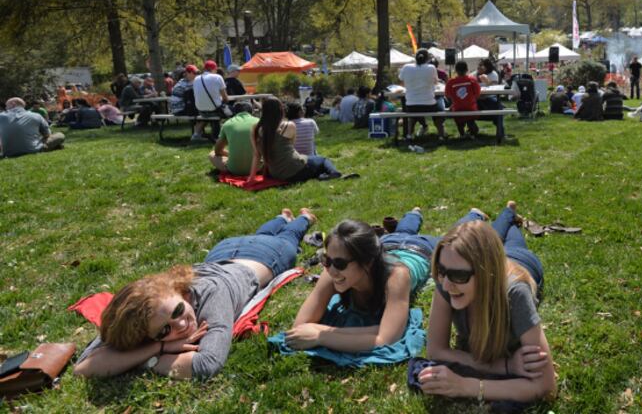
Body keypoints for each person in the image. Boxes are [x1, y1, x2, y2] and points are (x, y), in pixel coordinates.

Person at [73, 209, 316, 380]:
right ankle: (280, 217)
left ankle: (301, 217)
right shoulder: (145, 307)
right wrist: (158, 348)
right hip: (225, 249)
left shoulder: (212, 294)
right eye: (164, 330)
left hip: (266, 256)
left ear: (176, 290)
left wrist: (148, 360)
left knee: (289, 238)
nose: (182, 324)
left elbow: (207, 365)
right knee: (260, 234)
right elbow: (84, 367)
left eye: (177, 310)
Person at [419, 202, 555, 404]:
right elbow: (436, 350)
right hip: (492, 259)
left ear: (485, 275)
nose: (446, 285)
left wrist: (466, 386)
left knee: (515, 240)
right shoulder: (446, 280)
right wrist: (506, 366)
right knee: (495, 239)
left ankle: (510, 214)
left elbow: (546, 386)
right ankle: (506, 215)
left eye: (458, 275)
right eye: (440, 270)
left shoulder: (515, 294)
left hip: (522, 262)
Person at [285, 208, 436, 354]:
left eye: (340, 264)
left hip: (420, 248)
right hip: (387, 243)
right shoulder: (331, 271)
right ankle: (409, 216)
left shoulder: (396, 276)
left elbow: (387, 338)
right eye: (326, 259)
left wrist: (321, 336)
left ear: (367, 262)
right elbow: (299, 328)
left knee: (453, 235)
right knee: (403, 231)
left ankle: (415, 213)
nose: (330, 270)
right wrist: (376, 329)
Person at [248, 97, 352, 183]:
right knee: (322, 160)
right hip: (296, 170)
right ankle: (335, 173)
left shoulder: (255, 129)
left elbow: (256, 155)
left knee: (312, 163)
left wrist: (251, 178)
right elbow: (292, 148)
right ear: (280, 110)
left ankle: (322, 175)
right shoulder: (288, 126)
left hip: (275, 173)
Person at [399, 48, 446, 140]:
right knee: (439, 109)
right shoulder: (431, 68)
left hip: (411, 106)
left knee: (413, 114)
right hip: (429, 105)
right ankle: (441, 134)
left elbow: (401, 80)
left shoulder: (406, 67)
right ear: (428, 59)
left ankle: (409, 134)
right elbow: (436, 83)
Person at [0, 97, 65, 158]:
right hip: (33, 150)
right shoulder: (36, 115)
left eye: (6, 105)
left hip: (8, 153)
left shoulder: (1, 116)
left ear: (13, 104)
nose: (6, 108)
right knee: (60, 135)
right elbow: (47, 134)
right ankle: (53, 146)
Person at [208, 102, 259, 175]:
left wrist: (230, 154)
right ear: (252, 111)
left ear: (234, 112)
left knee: (212, 153)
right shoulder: (259, 121)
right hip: (258, 168)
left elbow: (217, 151)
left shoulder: (227, 123)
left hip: (234, 169)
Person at [193, 60, 230, 142]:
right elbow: (225, 98)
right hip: (214, 110)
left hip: (201, 110)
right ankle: (219, 136)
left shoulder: (196, 78)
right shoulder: (218, 77)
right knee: (227, 111)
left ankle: (197, 134)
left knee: (208, 113)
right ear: (213, 69)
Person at [445, 61, 481, 138]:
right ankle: (472, 130)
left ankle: (462, 133)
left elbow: (447, 95)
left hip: (457, 108)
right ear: (467, 70)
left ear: (455, 70)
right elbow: (477, 94)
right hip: (471, 108)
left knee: (454, 110)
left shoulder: (451, 82)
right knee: (470, 112)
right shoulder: (472, 80)